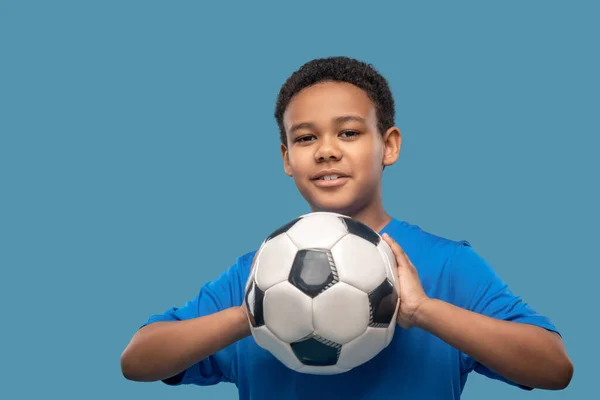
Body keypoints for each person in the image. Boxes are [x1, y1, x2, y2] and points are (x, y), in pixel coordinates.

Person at [120, 56, 573, 399]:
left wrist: (424, 312)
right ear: (286, 159)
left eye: (349, 132)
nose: (326, 151)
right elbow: (138, 360)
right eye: (305, 138)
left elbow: (554, 370)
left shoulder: (448, 264)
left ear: (388, 146)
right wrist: (250, 313)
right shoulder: (254, 274)